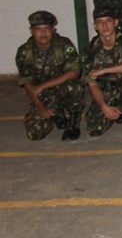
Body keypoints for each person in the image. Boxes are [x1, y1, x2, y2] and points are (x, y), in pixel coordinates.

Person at [16, 11, 84, 141]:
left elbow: (74, 72)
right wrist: (41, 108)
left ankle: (73, 123)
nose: (43, 33)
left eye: (47, 28)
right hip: (43, 95)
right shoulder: (24, 52)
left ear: (53, 29)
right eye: (38, 29)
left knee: (74, 87)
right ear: (31, 30)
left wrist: (43, 86)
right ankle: (57, 114)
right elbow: (27, 84)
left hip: (63, 88)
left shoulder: (64, 45)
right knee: (35, 134)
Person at [82, 8, 122, 135]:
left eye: (108, 21)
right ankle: (118, 108)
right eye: (100, 22)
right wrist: (104, 106)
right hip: (108, 90)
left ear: (116, 22)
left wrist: (104, 70)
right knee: (94, 129)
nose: (105, 25)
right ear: (95, 26)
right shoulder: (90, 51)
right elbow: (92, 84)